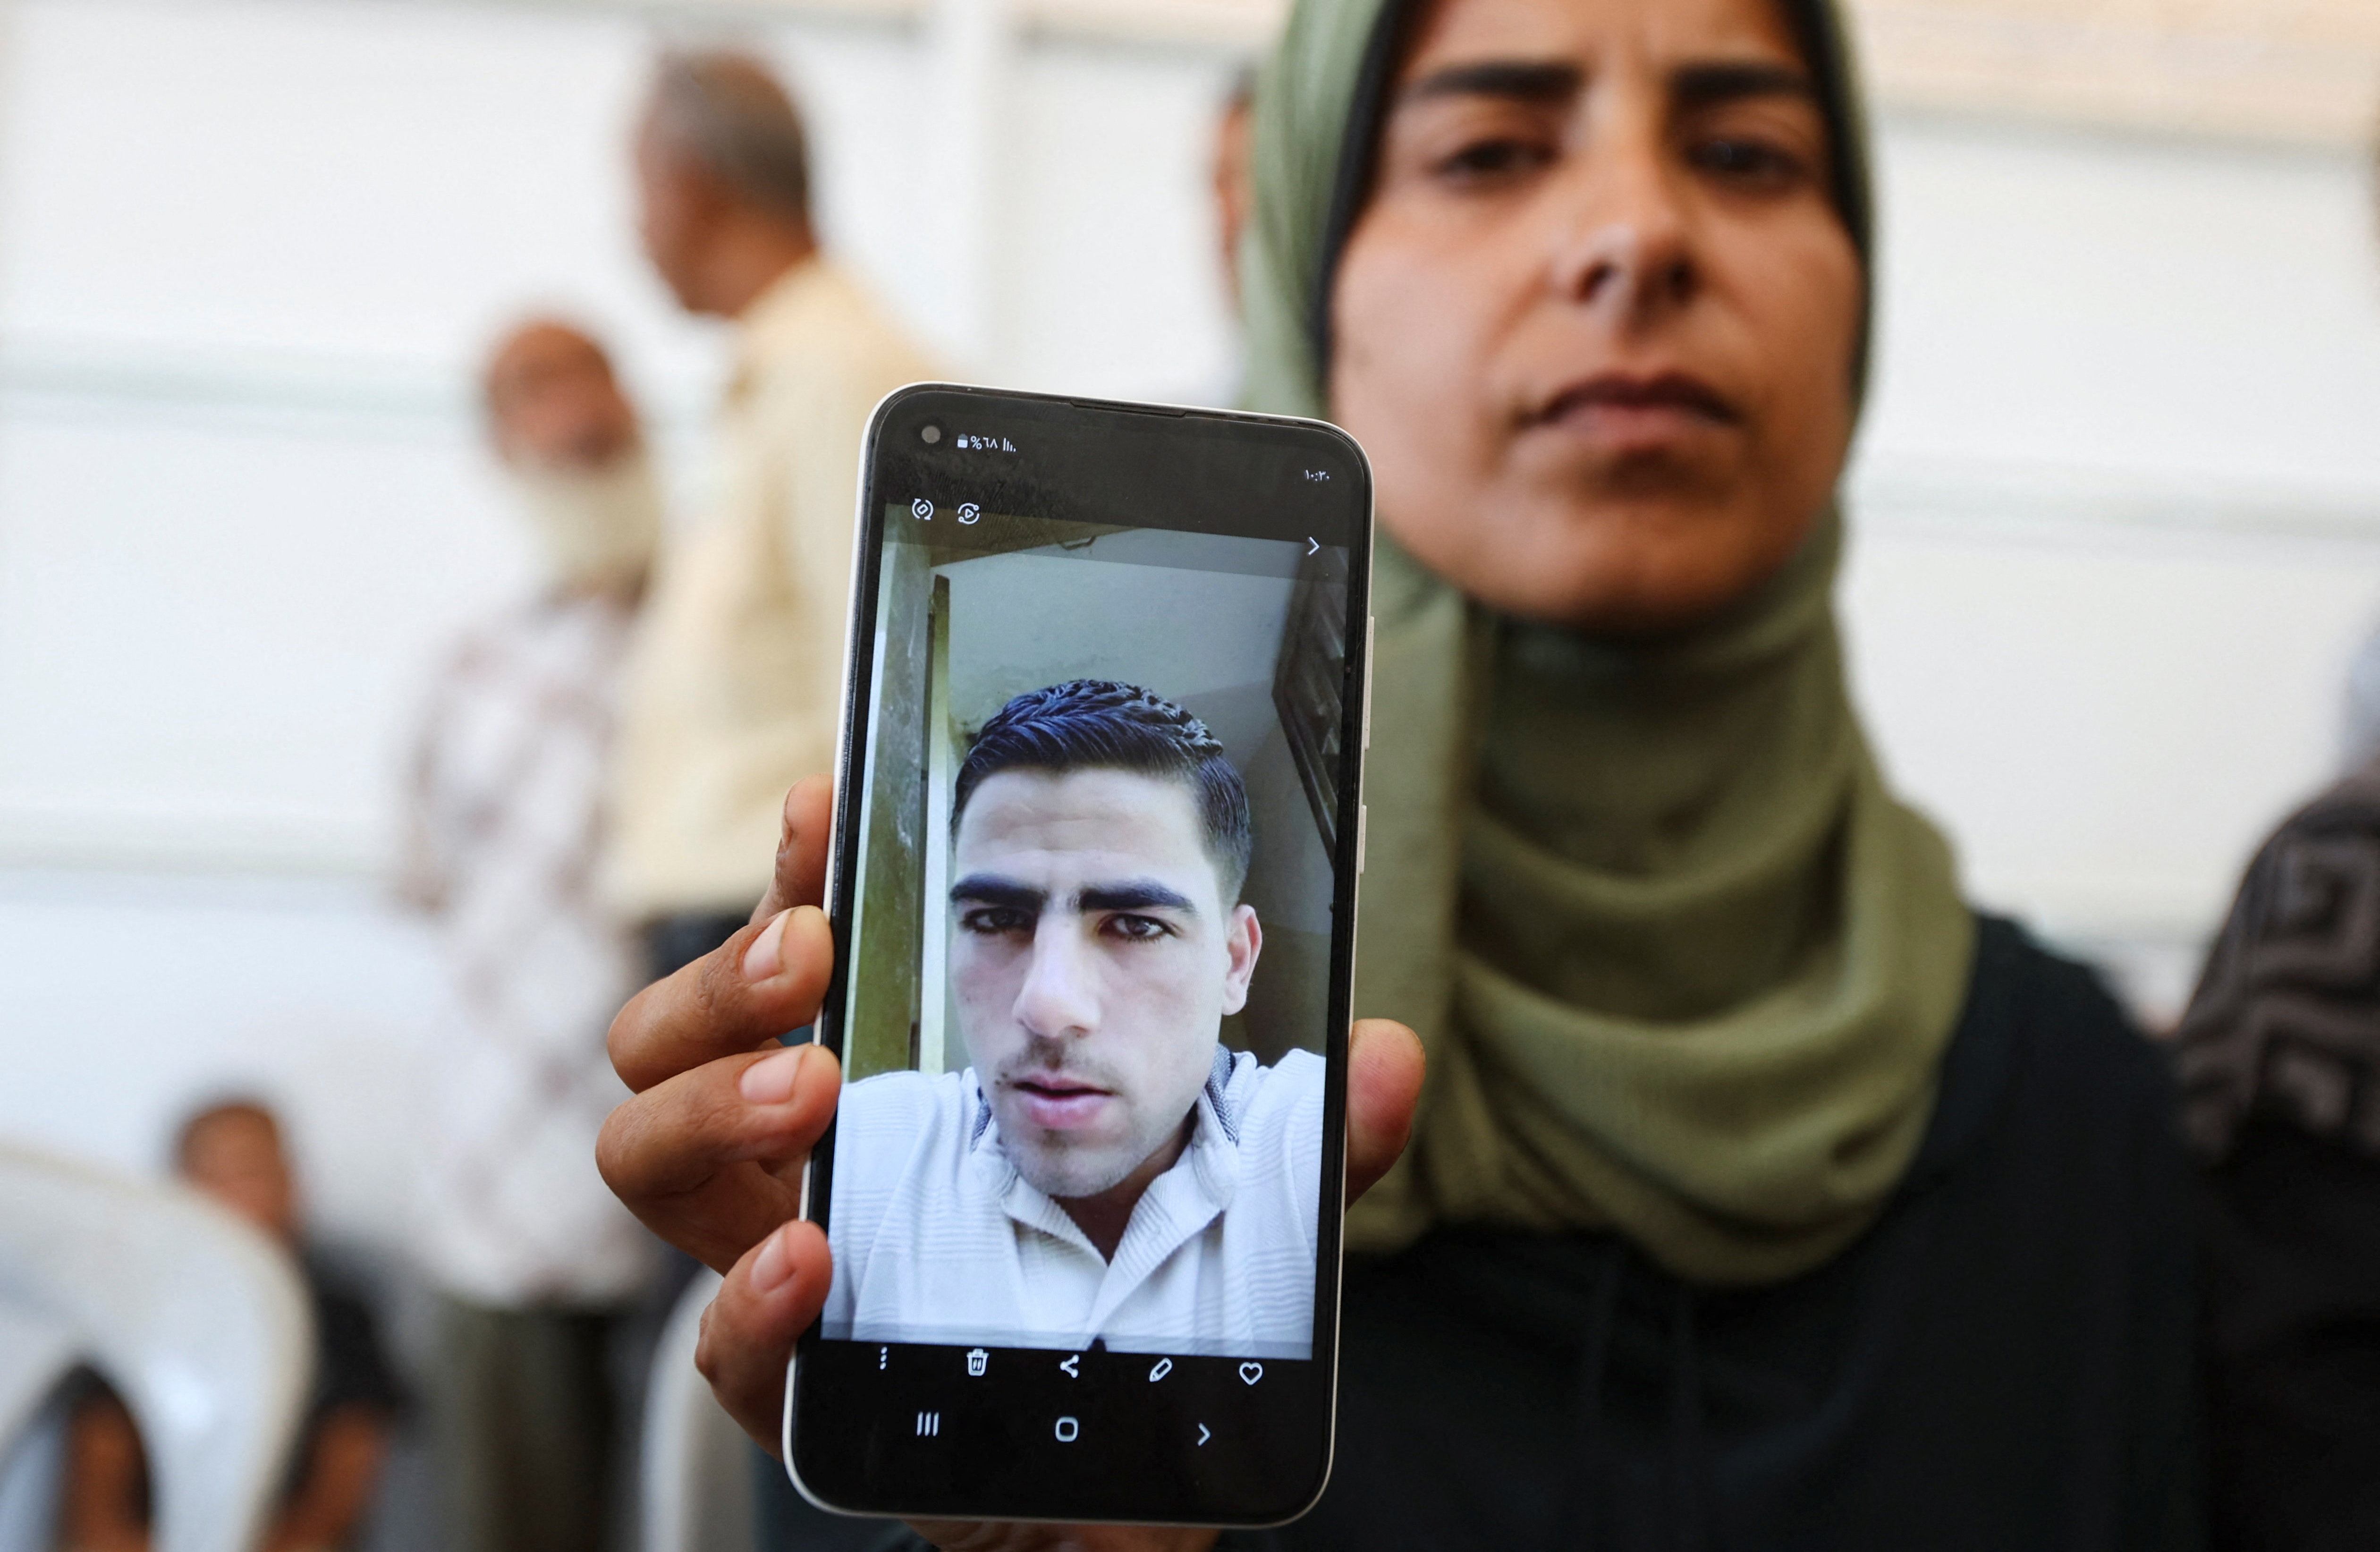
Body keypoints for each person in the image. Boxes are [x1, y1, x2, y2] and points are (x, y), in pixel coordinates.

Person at [597, 0, 2202, 1543]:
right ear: (1305, 272)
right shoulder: (1007, 1211)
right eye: (1491, 151)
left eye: (1749, 155)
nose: (1637, 231)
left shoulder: (2097, 1133)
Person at [826, 681, 1324, 1356]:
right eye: (998, 919)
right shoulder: (858, 1150)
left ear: (1235, 963)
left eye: (1134, 924)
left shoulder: (1311, 1141)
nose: (1048, 1004)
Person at [399, 319, 665, 1552]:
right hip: (502, 1166)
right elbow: (424, 873)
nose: (567, 421)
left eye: (587, 391)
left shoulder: (721, 634)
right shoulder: (471, 663)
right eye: (531, 402)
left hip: (690, 1163)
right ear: (498, 447)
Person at [605, 50, 938, 984]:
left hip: (774, 907)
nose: (633, 226)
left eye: (636, 188)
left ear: (691, 184)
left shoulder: (838, 371)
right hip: (734, 902)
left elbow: (887, 675)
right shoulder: (783, 369)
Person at [61, 1101, 400, 1552]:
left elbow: (334, 1508)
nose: (238, 1196)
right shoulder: (131, 1316)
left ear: (293, 1184)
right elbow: (94, 1514)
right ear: (178, 1193)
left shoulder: (338, 1315)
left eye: (254, 1172)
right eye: (217, 1175)